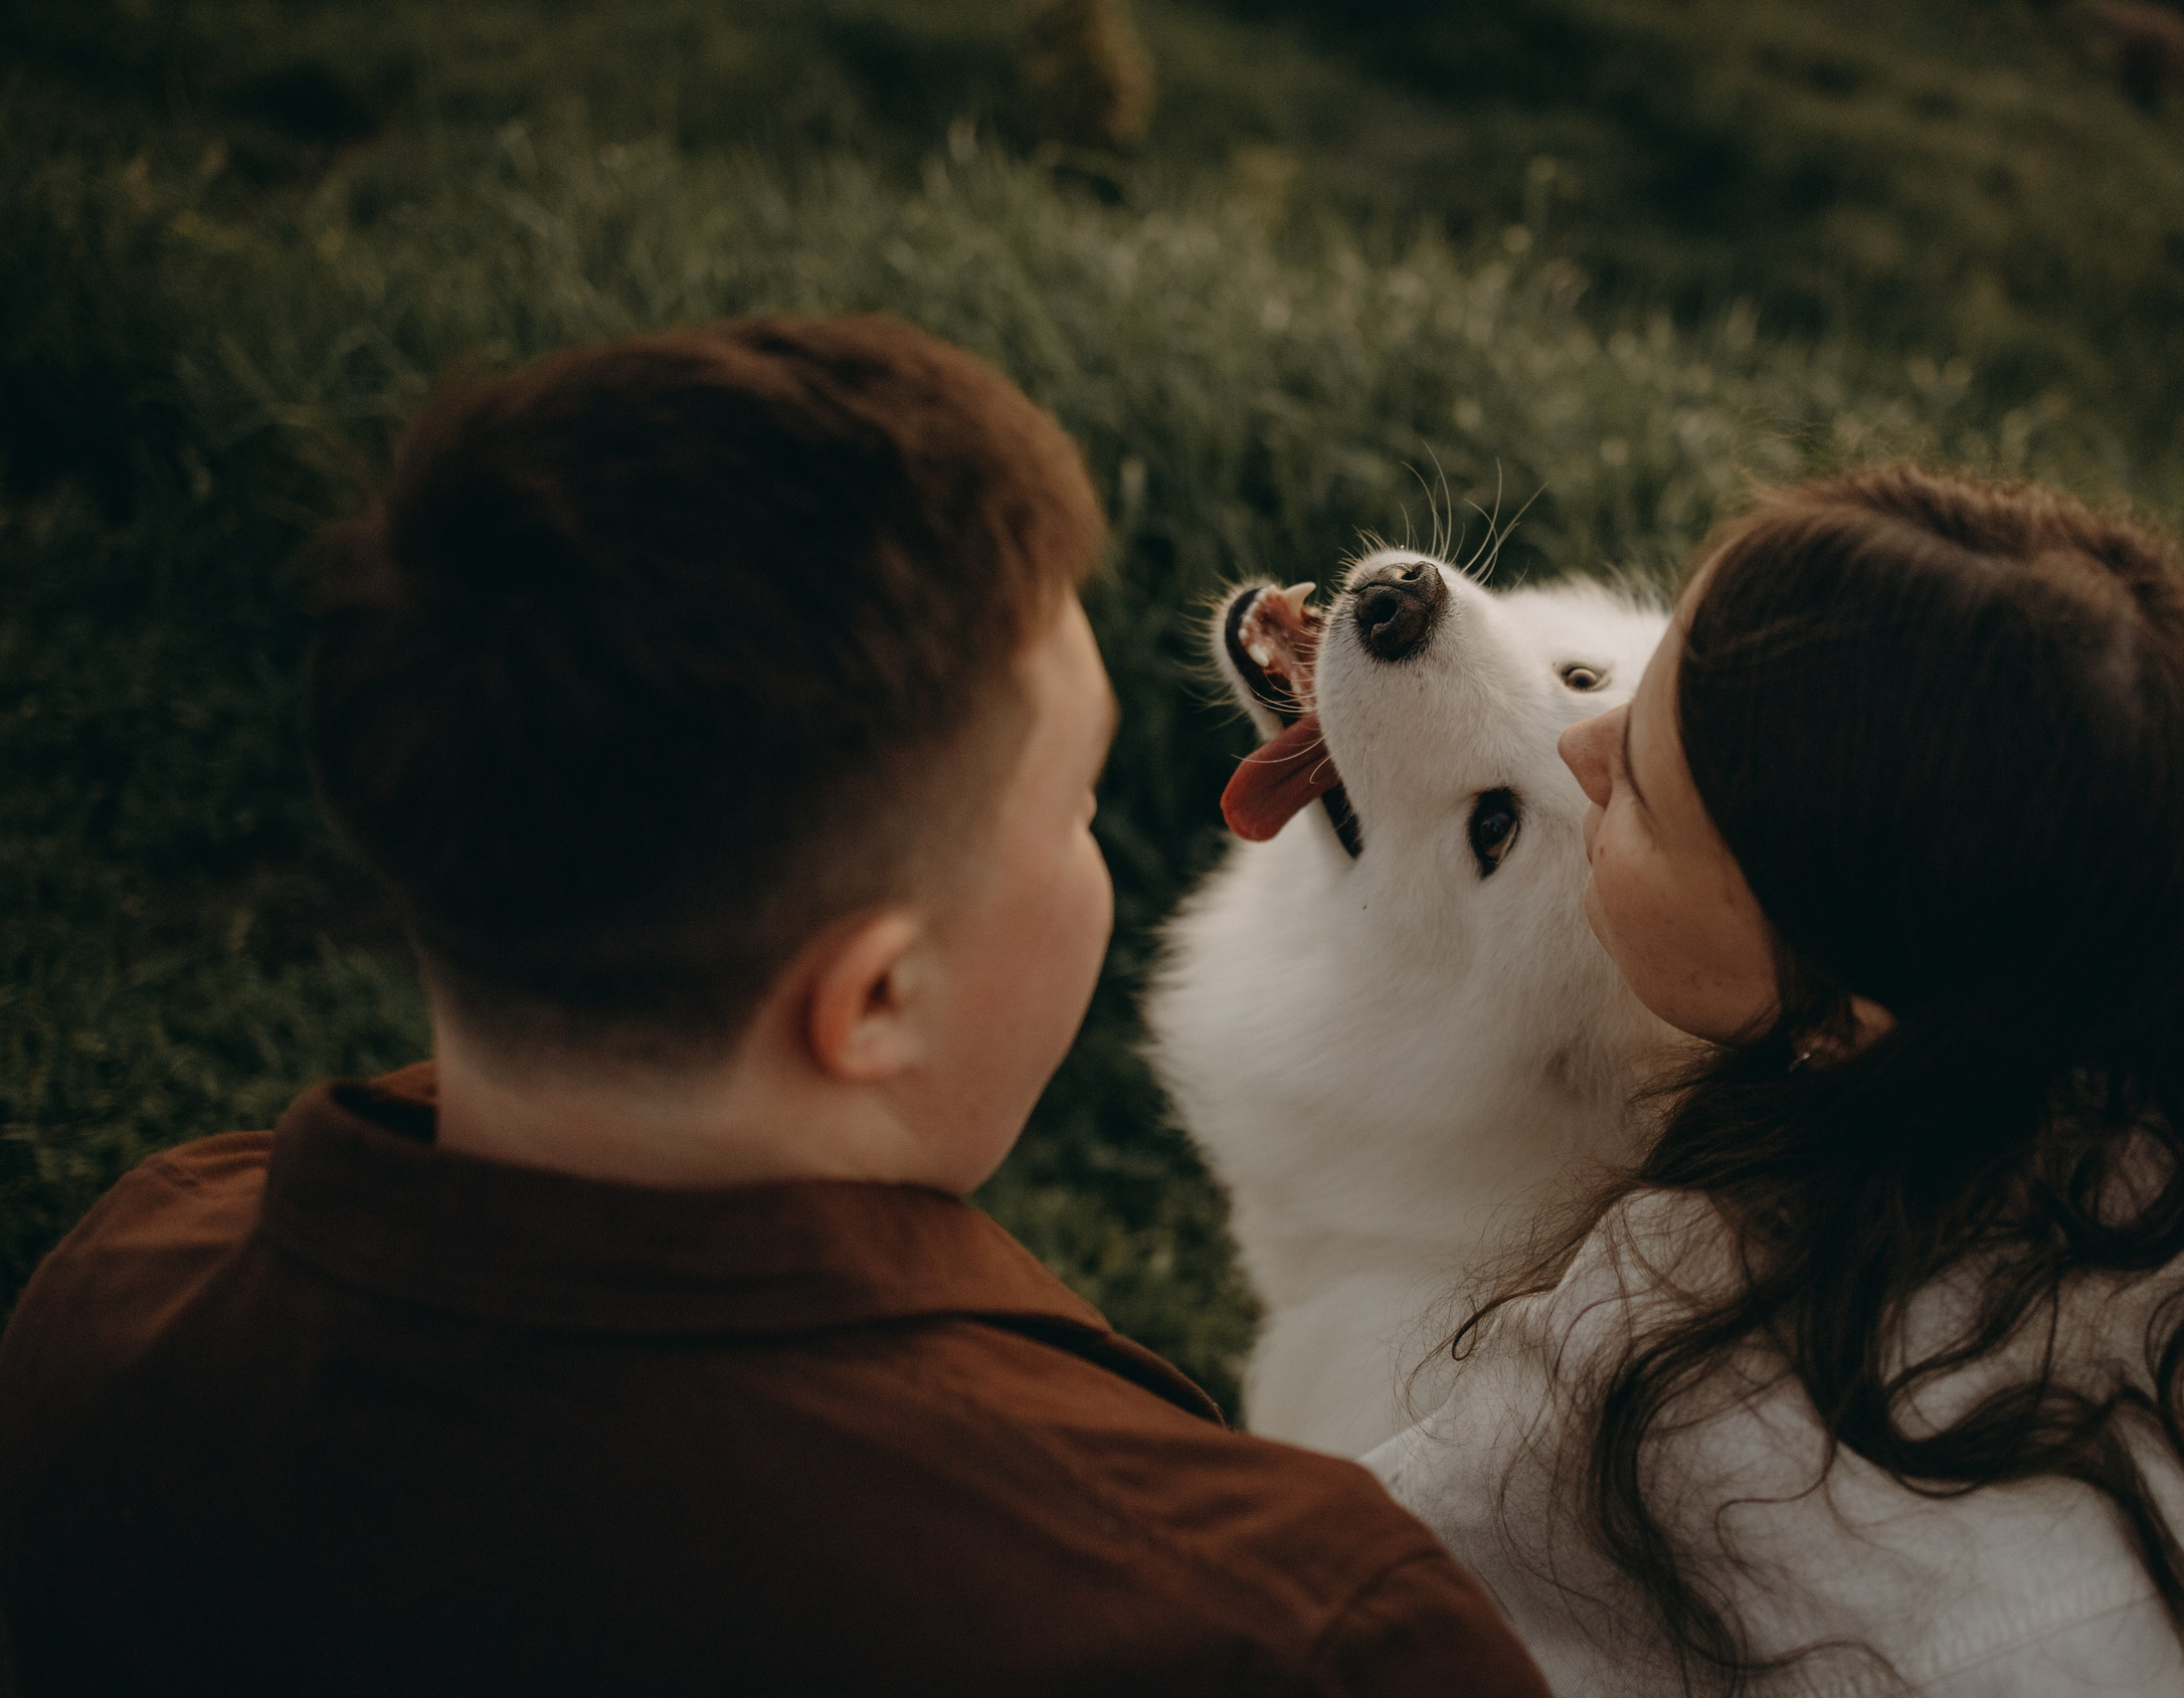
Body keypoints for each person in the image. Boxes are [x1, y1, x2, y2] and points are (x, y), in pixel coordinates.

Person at [0, 316, 1552, 1698]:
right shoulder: (1289, 1630)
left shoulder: (108, 1305)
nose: (1096, 844)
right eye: (1078, 801)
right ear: (875, 997)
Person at [1366, 466, 2184, 1695]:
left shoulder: (1682, 1384)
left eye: (1645, 802)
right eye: (1632, 679)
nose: (1581, 745)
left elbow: (1301, 1606)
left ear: (1845, 1011)